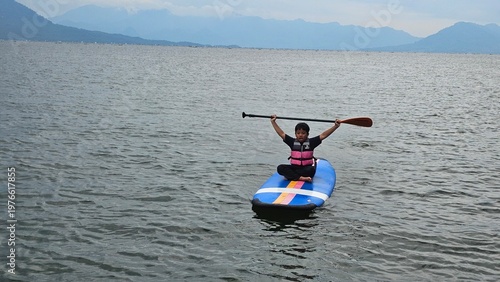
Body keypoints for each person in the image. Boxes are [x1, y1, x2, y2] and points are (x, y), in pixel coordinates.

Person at [270, 114, 341, 182]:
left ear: (307, 134)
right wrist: (273, 122)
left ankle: (292, 176)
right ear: (295, 134)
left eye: (303, 133)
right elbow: (281, 133)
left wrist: (335, 126)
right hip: (295, 168)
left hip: (306, 169)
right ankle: (300, 178)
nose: (300, 135)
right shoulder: (292, 142)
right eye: (298, 133)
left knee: (311, 170)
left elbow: (323, 135)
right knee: (280, 168)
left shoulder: (311, 142)